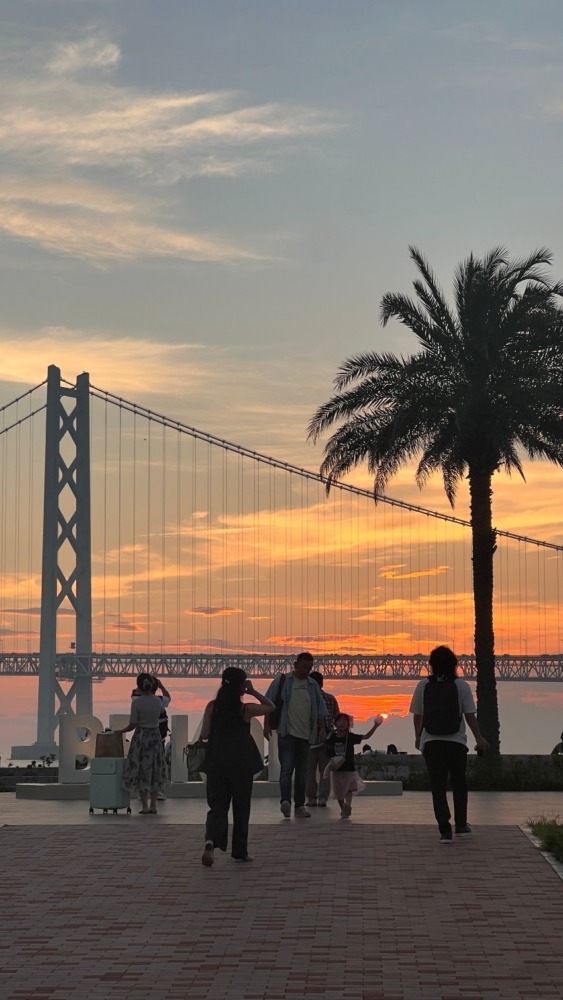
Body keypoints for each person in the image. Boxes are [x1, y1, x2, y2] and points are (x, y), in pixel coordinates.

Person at [409, 645, 489, 844]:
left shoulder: (423, 685)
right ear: (454, 664)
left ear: (432, 665)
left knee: (438, 785)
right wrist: (479, 738)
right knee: (459, 783)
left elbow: (418, 716)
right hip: (456, 742)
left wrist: (418, 737)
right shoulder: (461, 686)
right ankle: (461, 825)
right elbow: (469, 715)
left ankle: (445, 830)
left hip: (432, 741)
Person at [200, 667, 275, 867]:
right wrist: (252, 691)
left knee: (217, 806)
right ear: (241, 685)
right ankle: (240, 852)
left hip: (216, 763)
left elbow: (205, 734)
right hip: (241, 764)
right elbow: (271, 707)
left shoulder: (212, 707)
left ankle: (211, 840)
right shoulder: (246, 709)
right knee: (241, 808)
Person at [264, 652, 328, 819]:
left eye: (309, 667)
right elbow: (268, 703)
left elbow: (320, 710)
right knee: (286, 769)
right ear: (295, 665)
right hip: (286, 733)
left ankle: (299, 806)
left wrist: (321, 729)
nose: (306, 670)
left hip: (306, 736)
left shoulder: (313, 685)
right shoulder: (282, 681)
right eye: (303, 666)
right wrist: (266, 725)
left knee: (302, 773)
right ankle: (286, 802)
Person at [116, 672, 169, 814]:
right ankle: (154, 806)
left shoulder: (137, 703)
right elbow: (165, 704)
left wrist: (119, 732)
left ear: (139, 686)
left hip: (141, 737)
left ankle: (145, 806)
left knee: (141, 769)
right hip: (155, 737)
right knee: (155, 769)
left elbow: (132, 724)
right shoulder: (158, 702)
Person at [323, 712, 384, 818]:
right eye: (339, 721)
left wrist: (375, 726)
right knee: (339, 793)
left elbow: (366, 736)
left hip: (349, 768)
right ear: (335, 723)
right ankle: (344, 809)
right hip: (337, 769)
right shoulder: (331, 737)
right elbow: (327, 750)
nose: (342, 723)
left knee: (349, 789)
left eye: (344, 721)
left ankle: (347, 805)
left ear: (348, 724)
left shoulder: (350, 737)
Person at [132, 675, 171, 800]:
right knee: (158, 766)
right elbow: (168, 698)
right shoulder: (159, 701)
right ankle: (159, 792)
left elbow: (136, 692)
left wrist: (144, 682)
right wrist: (161, 685)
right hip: (158, 737)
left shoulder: (136, 699)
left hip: (142, 738)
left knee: (141, 765)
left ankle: (142, 792)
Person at [306, 671, 340, 808]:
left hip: (308, 739)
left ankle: (311, 798)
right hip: (327, 739)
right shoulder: (330, 698)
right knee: (325, 771)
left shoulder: (306, 698)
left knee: (309, 771)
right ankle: (323, 798)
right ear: (322, 683)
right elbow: (337, 718)